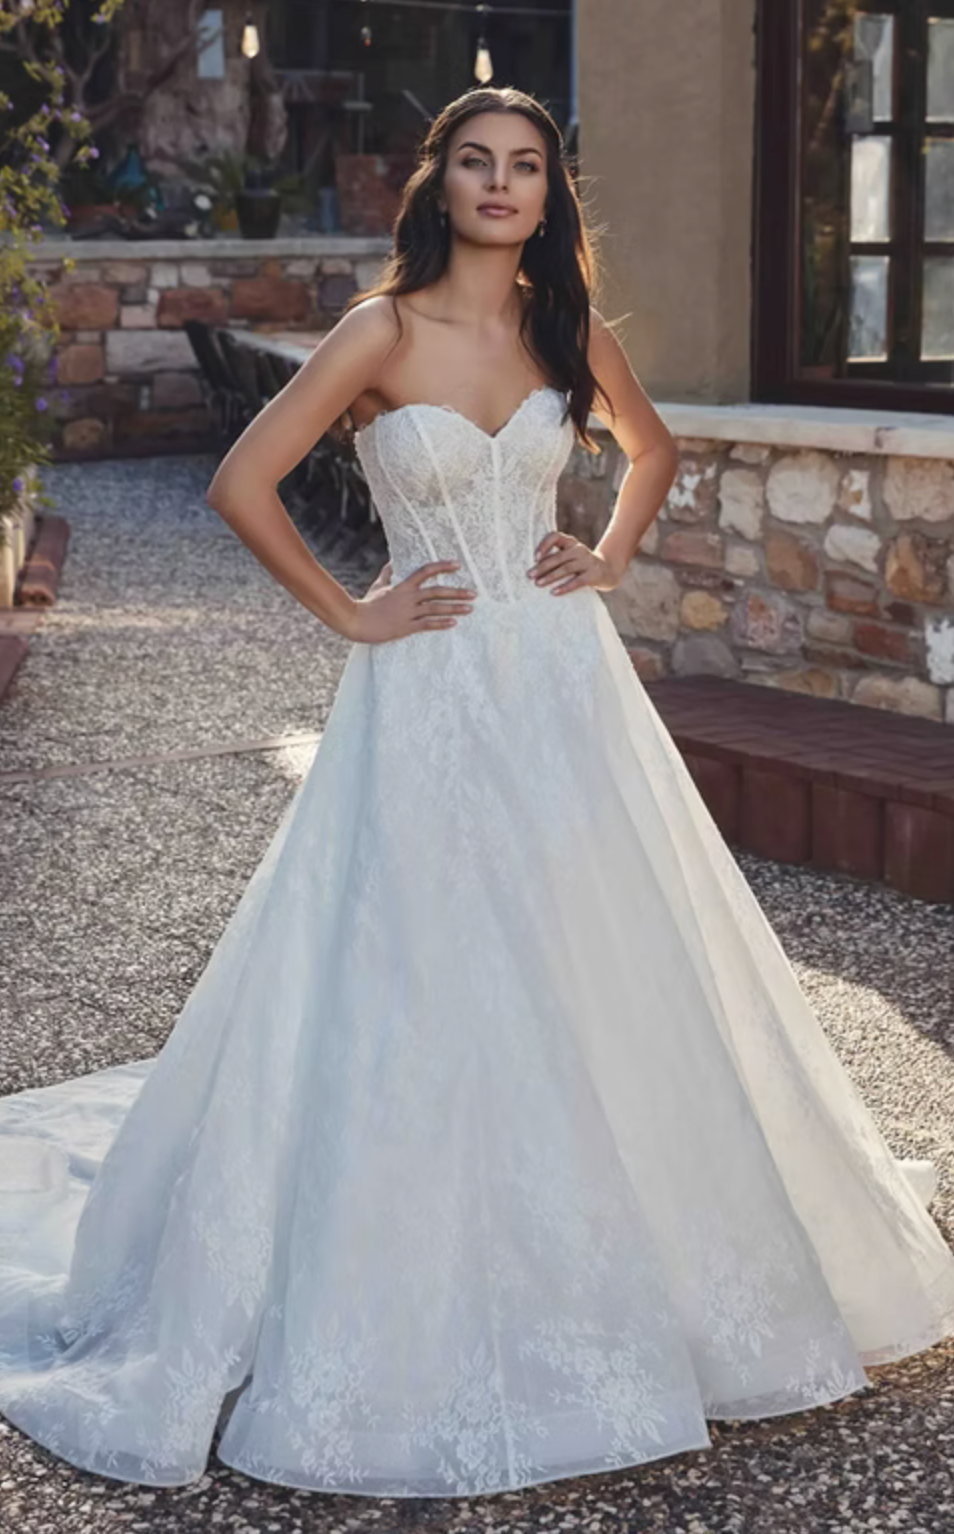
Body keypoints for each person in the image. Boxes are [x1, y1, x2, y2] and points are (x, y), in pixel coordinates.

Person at [1, 84, 952, 1500]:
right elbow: (243, 482)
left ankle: (638, 1266)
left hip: (565, 685)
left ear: (548, 192)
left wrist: (610, 554)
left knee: (593, 949)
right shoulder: (380, 328)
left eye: (525, 166)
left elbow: (654, 450)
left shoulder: (567, 329)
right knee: (420, 960)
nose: (500, 184)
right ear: (437, 182)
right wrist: (351, 614)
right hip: (429, 690)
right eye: (475, 161)